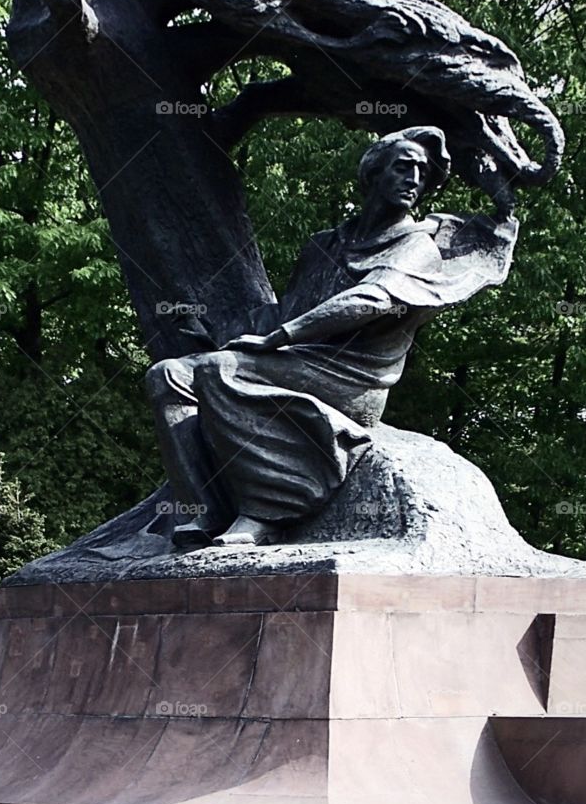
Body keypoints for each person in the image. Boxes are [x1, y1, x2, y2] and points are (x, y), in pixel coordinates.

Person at [145, 126, 516, 548]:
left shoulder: (417, 247)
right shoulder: (326, 244)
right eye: (403, 167)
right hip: (294, 359)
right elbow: (284, 312)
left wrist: (279, 339)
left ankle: (264, 514)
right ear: (373, 175)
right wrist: (215, 330)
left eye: (422, 173)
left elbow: (371, 299)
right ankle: (202, 513)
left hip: (352, 377)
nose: (414, 179)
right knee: (168, 375)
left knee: (217, 369)